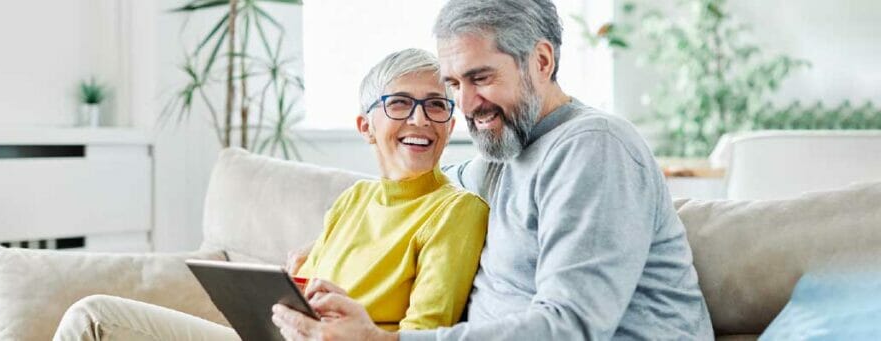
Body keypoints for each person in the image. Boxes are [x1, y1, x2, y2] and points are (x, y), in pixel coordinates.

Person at [270, 0, 715, 340]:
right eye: (454, 84)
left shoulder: (593, 148)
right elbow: (412, 195)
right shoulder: (500, 156)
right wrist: (326, 246)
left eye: (480, 78)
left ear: (541, 62)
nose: (464, 105)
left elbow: (571, 327)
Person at [52, 48, 489, 340]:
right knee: (91, 315)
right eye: (399, 103)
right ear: (366, 127)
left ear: (451, 124)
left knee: (93, 318)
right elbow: (308, 297)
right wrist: (291, 282)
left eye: (436, 105)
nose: (420, 119)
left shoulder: (457, 210)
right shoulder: (355, 199)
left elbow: (428, 335)